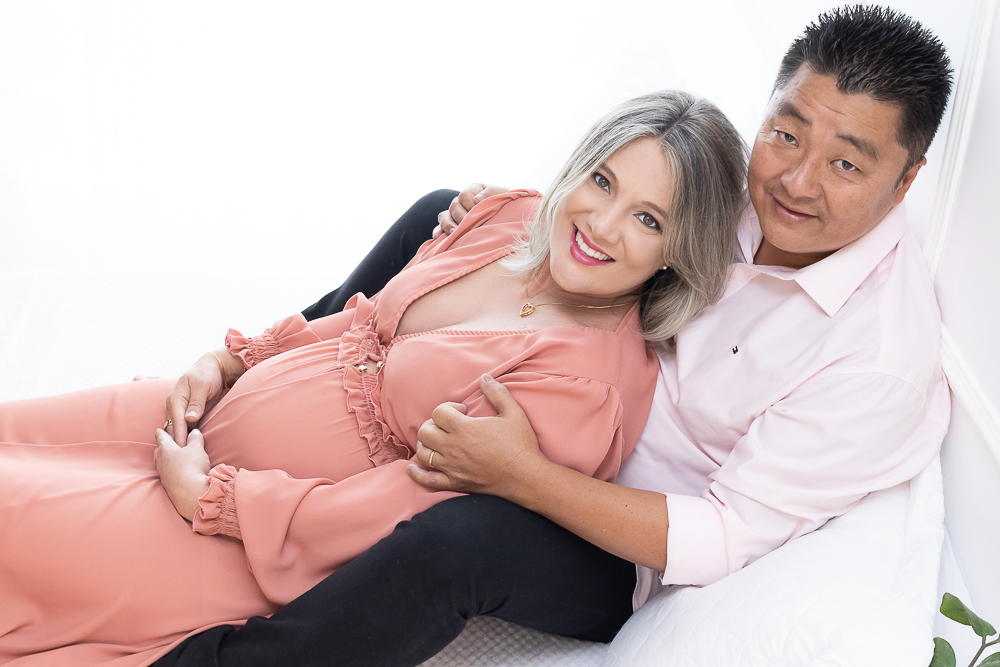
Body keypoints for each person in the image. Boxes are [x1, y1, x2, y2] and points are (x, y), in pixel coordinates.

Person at [150, 6, 955, 667]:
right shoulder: (740, 185)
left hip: (612, 535)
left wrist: (525, 476)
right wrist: (502, 219)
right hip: (561, 379)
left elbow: (720, 535)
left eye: (847, 165)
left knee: (463, 541)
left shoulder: (880, 361)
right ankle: (261, 363)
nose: (796, 181)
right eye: (787, 132)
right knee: (437, 211)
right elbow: (618, 210)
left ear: (906, 180)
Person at [0, 91, 749, 666]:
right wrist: (232, 360)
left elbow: (400, 509)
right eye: (603, 180)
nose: (603, 224)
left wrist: (219, 499)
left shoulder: (584, 385)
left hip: (257, 529)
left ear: (679, 254)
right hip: (207, 421)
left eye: (649, 219)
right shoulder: (511, 217)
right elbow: (364, 319)